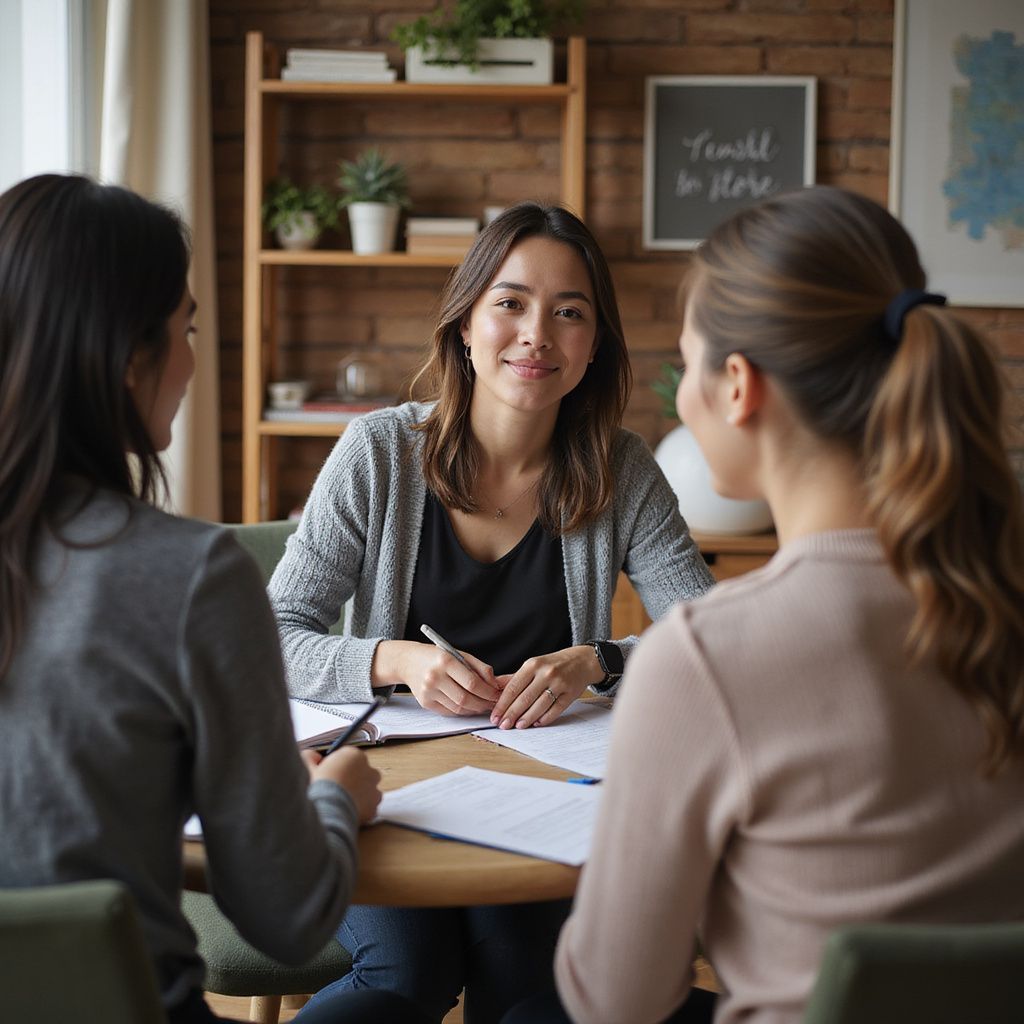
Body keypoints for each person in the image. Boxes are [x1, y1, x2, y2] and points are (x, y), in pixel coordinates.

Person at [502, 185, 1024, 1024]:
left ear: (737, 386)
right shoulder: (1000, 593)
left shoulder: (709, 658)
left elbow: (614, 999)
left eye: (688, 362)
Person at [0, 174, 430, 1024]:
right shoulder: (191, 574)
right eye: (186, 328)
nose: (194, 361)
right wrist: (336, 795)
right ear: (131, 359)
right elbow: (286, 912)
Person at [270, 202, 715, 1022]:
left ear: (595, 343)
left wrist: (601, 660)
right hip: (390, 795)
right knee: (404, 980)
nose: (536, 334)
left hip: (540, 799)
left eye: (569, 312)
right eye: (510, 302)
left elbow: (712, 638)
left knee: (532, 994)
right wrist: (397, 659)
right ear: (466, 322)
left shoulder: (622, 469)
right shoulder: (378, 452)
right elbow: (273, 635)